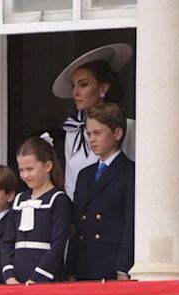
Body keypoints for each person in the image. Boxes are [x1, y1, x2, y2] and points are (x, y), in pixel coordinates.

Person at [52, 43, 136, 200]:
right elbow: (71, 183)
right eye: (73, 86)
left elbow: (133, 176)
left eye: (83, 84)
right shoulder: (73, 130)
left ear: (103, 88)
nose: (75, 92)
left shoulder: (128, 126)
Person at [65, 103, 135, 281]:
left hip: (110, 262)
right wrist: (70, 269)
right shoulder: (84, 175)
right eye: (88, 134)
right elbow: (77, 225)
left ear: (117, 133)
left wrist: (123, 268)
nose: (91, 140)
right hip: (84, 263)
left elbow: (130, 224)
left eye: (98, 133)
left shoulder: (130, 172)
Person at [2, 133, 72, 284]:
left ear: (48, 166)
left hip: (46, 280)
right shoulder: (19, 199)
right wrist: (9, 276)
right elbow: (8, 241)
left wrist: (37, 278)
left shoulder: (58, 200)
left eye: (30, 169)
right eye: (21, 170)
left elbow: (58, 245)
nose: (25, 175)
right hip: (16, 282)